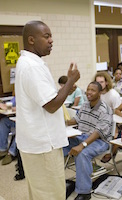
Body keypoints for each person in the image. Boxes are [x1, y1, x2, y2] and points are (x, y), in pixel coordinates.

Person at [15, 20, 80, 200]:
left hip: (36, 142)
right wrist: (69, 81)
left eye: (51, 36)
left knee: (39, 193)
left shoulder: (29, 63)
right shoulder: (32, 66)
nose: (52, 40)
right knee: (52, 195)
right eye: (46, 36)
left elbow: (46, 99)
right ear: (31, 40)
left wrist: (66, 89)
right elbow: (51, 106)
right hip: (43, 144)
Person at [64, 81, 113, 200]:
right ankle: (60, 182)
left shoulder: (105, 109)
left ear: (100, 93)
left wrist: (83, 145)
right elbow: (77, 119)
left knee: (82, 154)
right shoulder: (85, 104)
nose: (89, 92)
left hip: (100, 141)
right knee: (60, 145)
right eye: (88, 89)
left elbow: (98, 132)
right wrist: (63, 122)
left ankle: (84, 192)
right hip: (82, 136)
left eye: (93, 90)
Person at [0, 97, 17, 165]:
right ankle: (2, 149)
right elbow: (10, 104)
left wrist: (10, 108)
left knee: (21, 129)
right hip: (16, 118)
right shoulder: (17, 95)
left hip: (27, 122)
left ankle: (11, 153)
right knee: (4, 122)